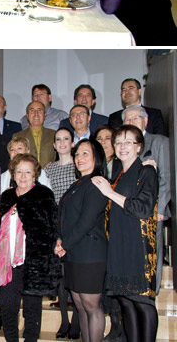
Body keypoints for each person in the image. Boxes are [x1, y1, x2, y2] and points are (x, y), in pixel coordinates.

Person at [91, 126, 159, 342]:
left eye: (128, 142)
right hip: (119, 245)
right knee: (126, 302)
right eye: (118, 142)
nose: (122, 146)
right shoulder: (119, 175)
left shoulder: (146, 171)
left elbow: (143, 208)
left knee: (143, 302)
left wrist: (110, 192)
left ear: (139, 147)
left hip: (137, 246)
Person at [0, 154, 60, 342]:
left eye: (28, 172)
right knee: (8, 308)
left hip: (33, 262)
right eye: (19, 171)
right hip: (8, 263)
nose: (23, 176)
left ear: (35, 175)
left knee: (32, 311)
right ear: (13, 174)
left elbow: (53, 225)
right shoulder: (7, 196)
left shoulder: (44, 195)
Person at [55, 138, 108, 342]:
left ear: (97, 157)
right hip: (74, 252)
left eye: (85, 153)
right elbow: (65, 218)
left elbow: (86, 221)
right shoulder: (77, 184)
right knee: (79, 305)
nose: (79, 158)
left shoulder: (96, 183)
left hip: (90, 254)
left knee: (91, 307)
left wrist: (64, 244)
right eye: (77, 154)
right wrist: (60, 240)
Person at [122, 105, 171, 292]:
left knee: (151, 255)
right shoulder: (122, 147)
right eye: (127, 120)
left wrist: (159, 209)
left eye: (135, 118)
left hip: (152, 211)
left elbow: (166, 177)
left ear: (146, 120)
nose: (131, 122)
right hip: (129, 210)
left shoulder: (159, 142)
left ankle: (152, 292)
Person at [44, 128, 79, 340]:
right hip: (56, 225)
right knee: (60, 276)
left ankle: (76, 321)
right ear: (54, 145)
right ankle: (64, 321)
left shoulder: (79, 166)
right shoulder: (49, 170)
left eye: (67, 139)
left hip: (75, 225)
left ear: (72, 143)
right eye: (59, 140)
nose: (63, 142)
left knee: (75, 274)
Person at [13, 101, 56, 167]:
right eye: (32, 111)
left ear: (45, 115)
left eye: (39, 110)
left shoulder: (54, 135)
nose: (36, 113)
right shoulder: (18, 136)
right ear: (27, 116)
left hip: (49, 175)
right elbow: (15, 161)